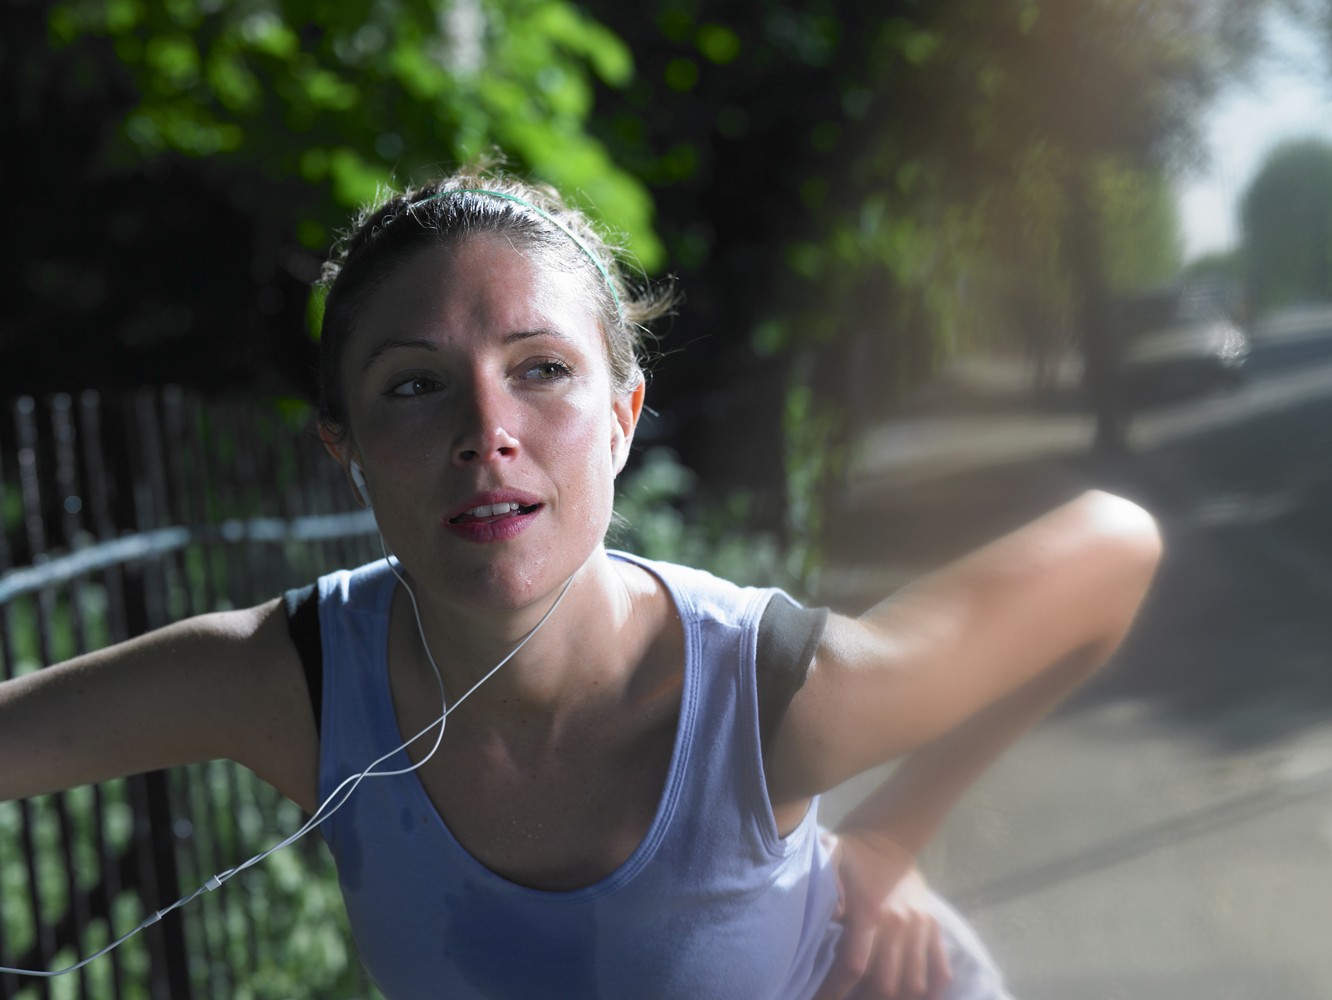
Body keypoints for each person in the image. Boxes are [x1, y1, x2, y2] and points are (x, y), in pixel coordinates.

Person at [0, 168, 1162, 1000]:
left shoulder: (772, 694)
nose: (486, 431)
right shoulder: (290, 683)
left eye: (542, 370)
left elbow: (1115, 545)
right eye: (414, 387)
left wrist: (893, 838)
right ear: (340, 441)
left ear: (622, 419)